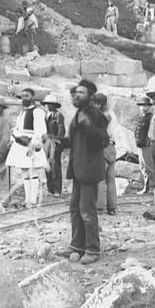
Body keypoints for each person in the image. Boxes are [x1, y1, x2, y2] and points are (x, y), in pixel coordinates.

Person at [57, 79, 110, 264]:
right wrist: (53, 140)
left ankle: (92, 250)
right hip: (79, 170)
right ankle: (76, 246)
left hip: (89, 170)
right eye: (75, 92)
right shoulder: (78, 114)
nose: (77, 95)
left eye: (81, 92)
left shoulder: (96, 115)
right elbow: (71, 141)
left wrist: (88, 126)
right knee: (75, 209)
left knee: (87, 211)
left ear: (90, 96)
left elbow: (103, 141)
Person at [5, 87, 48, 206]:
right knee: (24, 171)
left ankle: (33, 199)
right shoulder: (22, 112)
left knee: (32, 172)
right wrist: (12, 139)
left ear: (33, 97)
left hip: (31, 145)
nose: (24, 98)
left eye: (27, 96)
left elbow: (40, 131)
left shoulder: (37, 112)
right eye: (23, 96)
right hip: (20, 144)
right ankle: (27, 199)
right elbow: (18, 128)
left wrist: (33, 146)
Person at [93, 93, 118, 215]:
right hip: (112, 147)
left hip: (102, 146)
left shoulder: (102, 116)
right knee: (111, 179)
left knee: (100, 179)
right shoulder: (112, 113)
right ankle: (112, 207)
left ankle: (99, 207)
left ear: (98, 104)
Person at [44, 95, 66, 196]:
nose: (48, 106)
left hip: (54, 143)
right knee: (47, 165)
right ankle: (50, 188)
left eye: (50, 104)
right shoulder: (46, 115)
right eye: (47, 104)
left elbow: (61, 129)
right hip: (46, 143)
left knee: (55, 166)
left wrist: (57, 141)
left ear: (54, 105)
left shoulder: (58, 115)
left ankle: (57, 189)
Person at [134, 95, 154, 193]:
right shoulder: (142, 117)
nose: (143, 108)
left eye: (145, 106)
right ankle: (147, 188)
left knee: (148, 167)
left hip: (147, 146)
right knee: (143, 167)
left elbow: (152, 132)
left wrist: (148, 142)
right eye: (141, 106)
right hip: (141, 146)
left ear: (149, 107)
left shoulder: (151, 117)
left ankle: (150, 188)